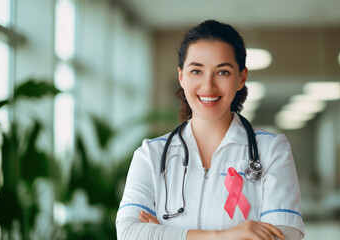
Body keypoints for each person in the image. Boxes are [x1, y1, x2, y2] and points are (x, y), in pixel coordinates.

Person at [116, 20, 305, 240]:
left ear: (241, 78)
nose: (208, 85)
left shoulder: (271, 150)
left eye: (222, 72)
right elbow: (129, 233)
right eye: (196, 71)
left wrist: (164, 233)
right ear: (181, 77)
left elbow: (283, 235)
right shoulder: (151, 155)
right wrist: (225, 235)